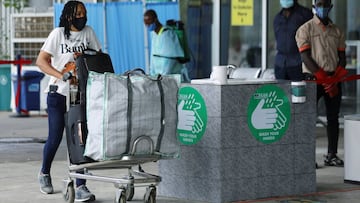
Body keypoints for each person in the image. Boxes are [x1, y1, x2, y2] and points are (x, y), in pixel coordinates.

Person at [36, 1, 101, 201]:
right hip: (58, 94)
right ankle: (44, 173)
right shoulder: (57, 34)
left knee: (79, 139)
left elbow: (98, 57)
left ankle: (81, 185)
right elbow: (41, 61)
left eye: (85, 13)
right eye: (79, 13)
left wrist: (87, 55)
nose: (83, 16)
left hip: (80, 95)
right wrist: (60, 74)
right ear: (69, 16)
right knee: (55, 137)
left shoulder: (88, 32)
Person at [296, 0, 347, 166]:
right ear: (314, 6)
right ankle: (307, 157)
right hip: (313, 80)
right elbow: (305, 57)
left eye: (325, 5)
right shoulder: (305, 29)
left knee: (333, 118)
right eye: (319, 4)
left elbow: (342, 58)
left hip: (333, 80)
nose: (322, 8)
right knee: (308, 119)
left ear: (331, 7)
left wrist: (335, 77)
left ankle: (332, 155)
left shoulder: (337, 31)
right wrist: (322, 77)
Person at [143, 9, 189, 82]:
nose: (148, 25)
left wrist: (162, 79)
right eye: (146, 24)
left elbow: (169, 61)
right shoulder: (154, 35)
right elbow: (153, 59)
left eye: (149, 22)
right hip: (160, 79)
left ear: (155, 19)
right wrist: (152, 76)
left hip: (172, 79)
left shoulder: (167, 34)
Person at [273, 0, 313, 81]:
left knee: (299, 92)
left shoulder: (305, 15)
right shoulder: (277, 18)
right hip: (280, 65)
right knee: (282, 92)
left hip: (299, 64)